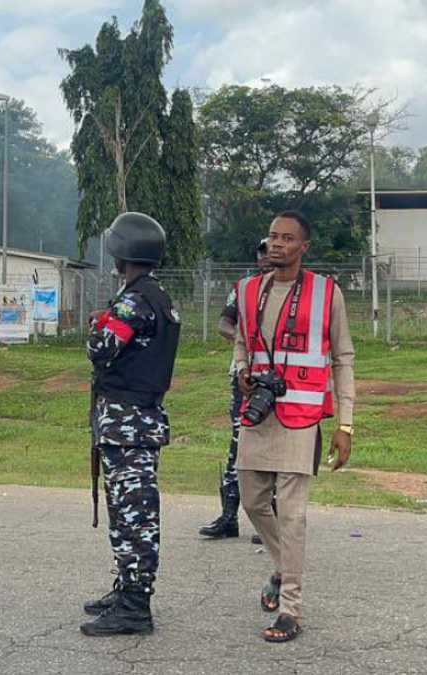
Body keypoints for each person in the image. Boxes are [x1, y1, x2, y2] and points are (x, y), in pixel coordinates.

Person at [232, 210, 355, 643]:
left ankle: (291, 610)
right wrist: (242, 372)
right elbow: (242, 344)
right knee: (251, 499)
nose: (277, 244)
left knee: (294, 515)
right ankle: (284, 568)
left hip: (303, 417)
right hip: (260, 414)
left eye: (287, 238)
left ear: (304, 247)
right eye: (272, 236)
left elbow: (343, 358)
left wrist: (346, 424)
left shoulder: (327, 293)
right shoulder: (248, 290)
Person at [81, 212, 181, 637]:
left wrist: (98, 326)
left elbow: (100, 350)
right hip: (137, 421)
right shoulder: (155, 296)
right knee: (128, 512)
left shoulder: (132, 300)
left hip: (127, 423)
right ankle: (126, 591)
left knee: (134, 515)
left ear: (121, 254)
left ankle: (135, 607)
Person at [199, 237, 272, 541]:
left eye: (273, 250)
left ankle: (269, 518)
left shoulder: (293, 290)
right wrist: (245, 339)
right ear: (257, 257)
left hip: (277, 377)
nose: (268, 256)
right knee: (238, 443)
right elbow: (223, 325)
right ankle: (229, 516)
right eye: (263, 251)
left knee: (274, 445)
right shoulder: (243, 288)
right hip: (244, 373)